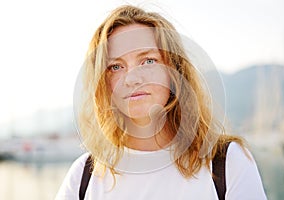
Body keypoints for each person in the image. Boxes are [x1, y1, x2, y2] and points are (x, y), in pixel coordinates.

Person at [55, 5, 267, 200]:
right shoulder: (84, 176)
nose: (132, 78)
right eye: (116, 67)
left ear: (174, 72)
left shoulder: (227, 162)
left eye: (148, 61)